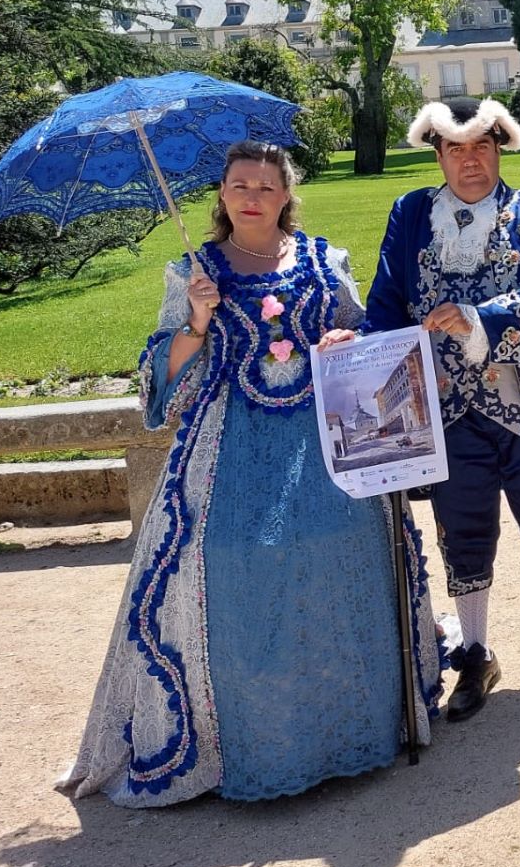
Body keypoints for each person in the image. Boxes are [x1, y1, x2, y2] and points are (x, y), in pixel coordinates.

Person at [59, 142, 438, 806]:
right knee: (232, 559)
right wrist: (197, 320)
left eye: (266, 185)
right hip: (228, 444)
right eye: (240, 185)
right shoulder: (193, 272)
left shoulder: (324, 261)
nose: (253, 196)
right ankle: (253, 742)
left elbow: (363, 330)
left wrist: (343, 340)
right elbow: (160, 384)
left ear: (287, 192)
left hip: (323, 440)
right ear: (223, 195)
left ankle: (344, 728)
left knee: (345, 546)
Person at [352, 96, 520, 721]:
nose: (470, 161)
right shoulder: (411, 214)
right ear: (437, 154)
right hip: (443, 408)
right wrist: (362, 351)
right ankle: (474, 654)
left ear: (500, 149)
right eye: (456, 149)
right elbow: (387, 300)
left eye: (482, 147)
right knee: (461, 533)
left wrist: (477, 319)